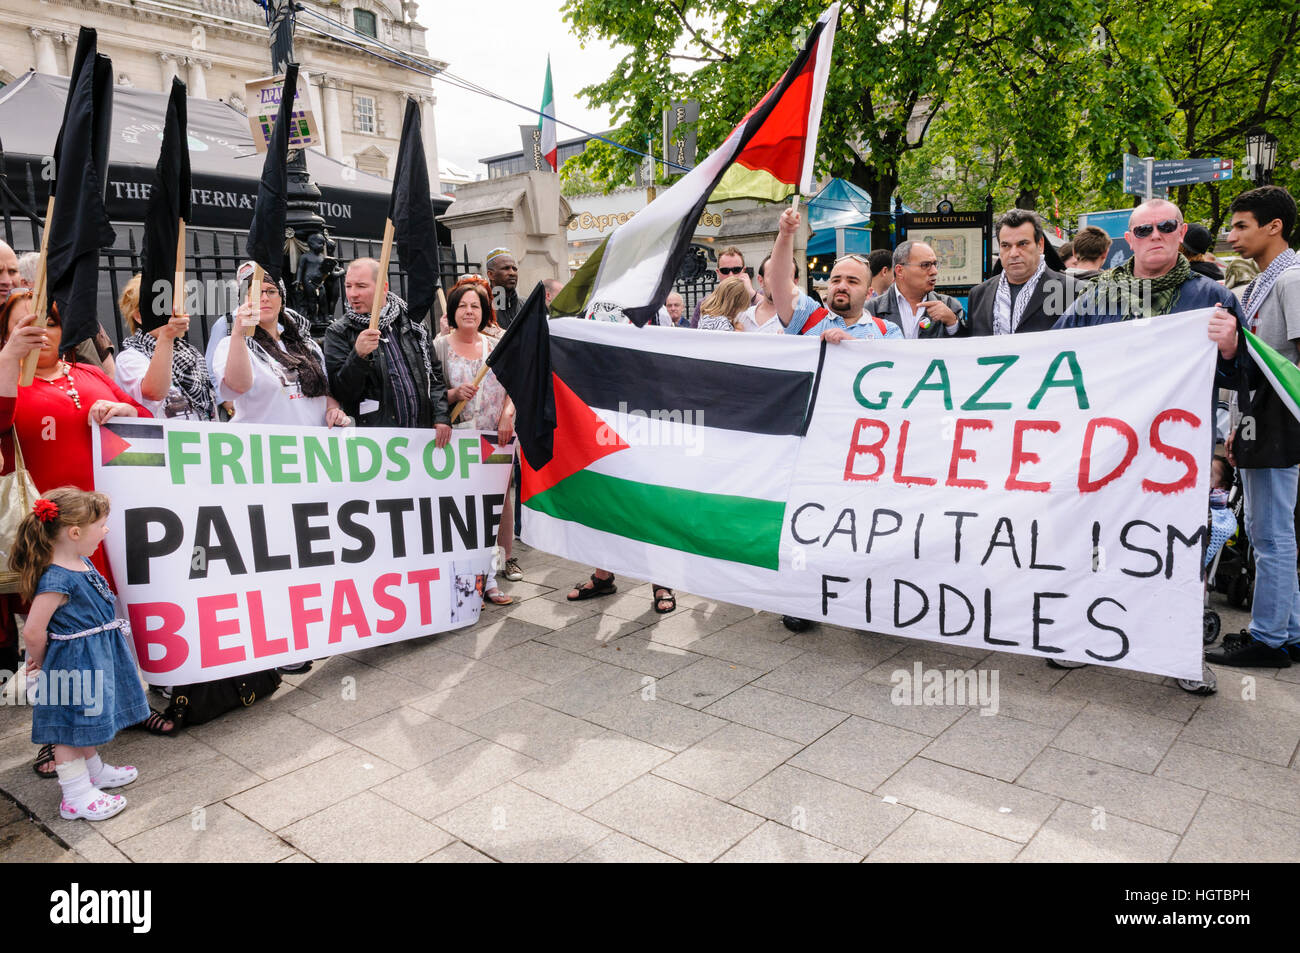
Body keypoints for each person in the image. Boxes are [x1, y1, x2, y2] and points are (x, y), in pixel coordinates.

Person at [1051, 198, 1241, 690]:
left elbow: (1245, 380)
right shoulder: (1097, 297)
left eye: (1166, 226)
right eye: (1143, 229)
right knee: (1101, 540)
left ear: (1181, 234)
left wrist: (1230, 348)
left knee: (1180, 545)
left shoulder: (1213, 297)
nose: (1155, 235)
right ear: (1128, 239)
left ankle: (1181, 654)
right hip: (1110, 446)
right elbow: (1053, 355)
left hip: (1179, 450)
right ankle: (1086, 636)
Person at [0, 292, 175, 756]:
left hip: (110, 526)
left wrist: (121, 412)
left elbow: (142, 421)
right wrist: (8, 359)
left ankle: (129, 706)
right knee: (63, 637)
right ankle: (56, 739)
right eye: (26, 324)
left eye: (52, 322)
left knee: (116, 621)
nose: (42, 332)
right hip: (55, 535)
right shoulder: (9, 381)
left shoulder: (92, 373)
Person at [13, 487, 150, 821]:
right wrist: (46, 664)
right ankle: (75, 796)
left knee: (83, 723)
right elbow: (33, 630)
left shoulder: (79, 561)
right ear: (75, 533)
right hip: (71, 665)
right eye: (101, 525)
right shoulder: (57, 578)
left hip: (90, 656)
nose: (105, 531)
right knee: (67, 731)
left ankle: (95, 771)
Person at [1207, 185, 1300, 668]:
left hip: (1279, 423)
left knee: (1270, 535)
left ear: (1273, 226)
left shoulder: (1291, 280)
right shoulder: (1269, 280)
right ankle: (1292, 630)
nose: (1232, 234)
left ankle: (1267, 639)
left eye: (1241, 225)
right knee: (1271, 530)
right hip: (1259, 420)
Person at [434, 276, 517, 603]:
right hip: (459, 443)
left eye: (476, 306)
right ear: (453, 310)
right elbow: (433, 392)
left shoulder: (496, 347)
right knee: (465, 510)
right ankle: (467, 577)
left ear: (484, 312)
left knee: (495, 508)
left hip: (496, 438)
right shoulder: (439, 347)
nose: (469, 311)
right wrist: (453, 394)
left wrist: (508, 413)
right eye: (463, 306)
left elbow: (515, 387)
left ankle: (493, 577)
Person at [323, 257, 452, 438]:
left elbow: (434, 375)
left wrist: (441, 417)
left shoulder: (412, 323)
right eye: (348, 286)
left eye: (361, 286)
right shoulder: (339, 332)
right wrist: (358, 356)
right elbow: (341, 392)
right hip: (377, 442)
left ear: (383, 288)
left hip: (422, 436)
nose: (352, 294)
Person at [214, 274, 350, 430]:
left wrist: (332, 410)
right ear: (245, 302)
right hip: (265, 447)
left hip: (311, 446)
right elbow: (236, 388)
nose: (264, 298)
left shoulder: (307, 345)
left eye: (271, 291)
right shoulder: (230, 345)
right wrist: (238, 333)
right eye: (257, 293)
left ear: (281, 299)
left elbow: (325, 391)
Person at [769, 207, 903, 344]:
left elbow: (896, 362)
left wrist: (851, 343)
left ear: (869, 293)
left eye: (852, 281)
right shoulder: (806, 315)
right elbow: (780, 281)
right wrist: (785, 235)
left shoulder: (888, 331)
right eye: (836, 280)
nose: (842, 286)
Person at [115, 275, 219, 421]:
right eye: (162, 304)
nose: (176, 311)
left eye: (179, 304)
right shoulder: (130, 358)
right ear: (139, 316)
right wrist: (166, 336)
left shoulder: (191, 354)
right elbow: (155, 392)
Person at [963, 209, 1080, 336]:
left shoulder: (1073, 291)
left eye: (1022, 244)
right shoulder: (978, 295)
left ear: (1040, 245)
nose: (1013, 253)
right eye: (1006, 245)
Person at [16, 251, 116, 376]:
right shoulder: (13, 320)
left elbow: (106, 368)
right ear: (25, 284)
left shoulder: (77, 315)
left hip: (84, 388)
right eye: (51, 279)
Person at [864, 240, 966, 338]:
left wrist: (952, 323)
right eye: (925, 265)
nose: (934, 271)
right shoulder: (872, 309)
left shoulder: (950, 305)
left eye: (935, 264)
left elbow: (966, 349)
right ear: (900, 271)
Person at [690, 246, 759, 327]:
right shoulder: (704, 304)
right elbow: (694, 337)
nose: (731, 275)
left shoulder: (758, 298)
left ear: (743, 270)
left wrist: (752, 294)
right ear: (718, 272)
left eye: (736, 270)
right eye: (725, 271)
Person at [737, 256, 801, 334]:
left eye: (786, 276)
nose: (778, 281)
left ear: (795, 282)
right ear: (761, 281)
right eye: (772, 275)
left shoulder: (802, 323)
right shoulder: (742, 316)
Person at [485, 248, 521, 329]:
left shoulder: (527, 306)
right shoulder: (482, 308)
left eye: (514, 269)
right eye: (506, 268)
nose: (512, 273)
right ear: (491, 275)